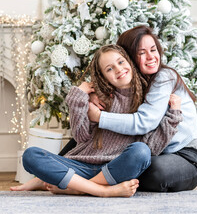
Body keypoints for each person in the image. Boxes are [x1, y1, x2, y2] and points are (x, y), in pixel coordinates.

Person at [10, 44, 183, 197]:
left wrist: (174, 114)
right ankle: (101, 190)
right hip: (81, 165)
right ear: (102, 76)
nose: (118, 69)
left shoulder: (149, 98)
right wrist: (78, 96)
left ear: (129, 62)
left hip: (115, 169)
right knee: (31, 155)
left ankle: (77, 187)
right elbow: (81, 136)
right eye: (109, 69)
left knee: (141, 152)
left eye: (121, 62)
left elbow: (153, 147)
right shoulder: (99, 99)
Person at [87, 25, 197, 192]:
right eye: (141, 53)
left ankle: (85, 184)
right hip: (153, 153)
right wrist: (91, 95)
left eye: (153, 49)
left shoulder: (164, 77)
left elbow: (144, 122)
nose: (150, 57)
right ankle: (58, 171)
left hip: (184, 157)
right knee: (93, 138)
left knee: (153, 170)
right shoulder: (132, 82)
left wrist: (99, 116)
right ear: (129, 58)